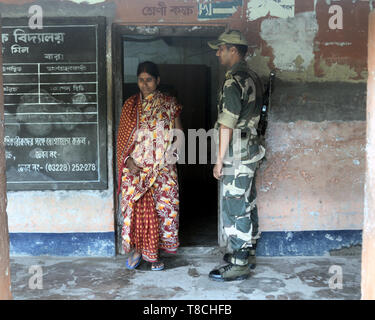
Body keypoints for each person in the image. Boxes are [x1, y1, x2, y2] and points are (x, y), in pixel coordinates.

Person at [208, 30, 265, 281]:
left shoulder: (233, 80)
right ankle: (248, 252)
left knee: (235, 204)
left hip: (237, 155)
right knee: (247, 200)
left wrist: (219, 160)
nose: (218, 52)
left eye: (221, 48)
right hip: (251, 150)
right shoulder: (252, 76)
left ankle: (240, 262)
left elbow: (227, 124)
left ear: (233, 50)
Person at [116, 61, 183, 271]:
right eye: (141, 80)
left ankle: (154, 255)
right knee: (136, 213)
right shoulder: (130, 105)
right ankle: (137, 250)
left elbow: (179, 135)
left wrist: (171, 155)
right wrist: (128, 161)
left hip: (162, 170)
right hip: (135, 170)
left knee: (161, 212)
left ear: (158, 80)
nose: (144, 84)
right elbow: (122, 140)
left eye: (149, 80)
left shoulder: (169, 104)